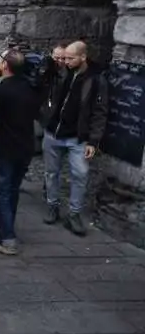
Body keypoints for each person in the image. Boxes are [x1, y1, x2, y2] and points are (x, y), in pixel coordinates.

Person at [41, 41, 108, 236]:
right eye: (64, 58)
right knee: (51, 172)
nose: (66, 61)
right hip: (53, 131)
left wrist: (93, 141)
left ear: (83, 57)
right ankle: (52, 206)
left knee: (80, 175)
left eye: (70, 58)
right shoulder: (60, 72)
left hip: (77, 137)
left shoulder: (96, 80)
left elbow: (99, 112)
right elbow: (44, 88)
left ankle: (74, 214)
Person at [0, 49, 42, 255]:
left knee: (1, 190)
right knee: (13, 189)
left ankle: (7, 239)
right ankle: (5, 225)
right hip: (24, 145)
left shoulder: (2, 91)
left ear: (5, 66)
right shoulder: (32, 89)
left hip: (3, 146)